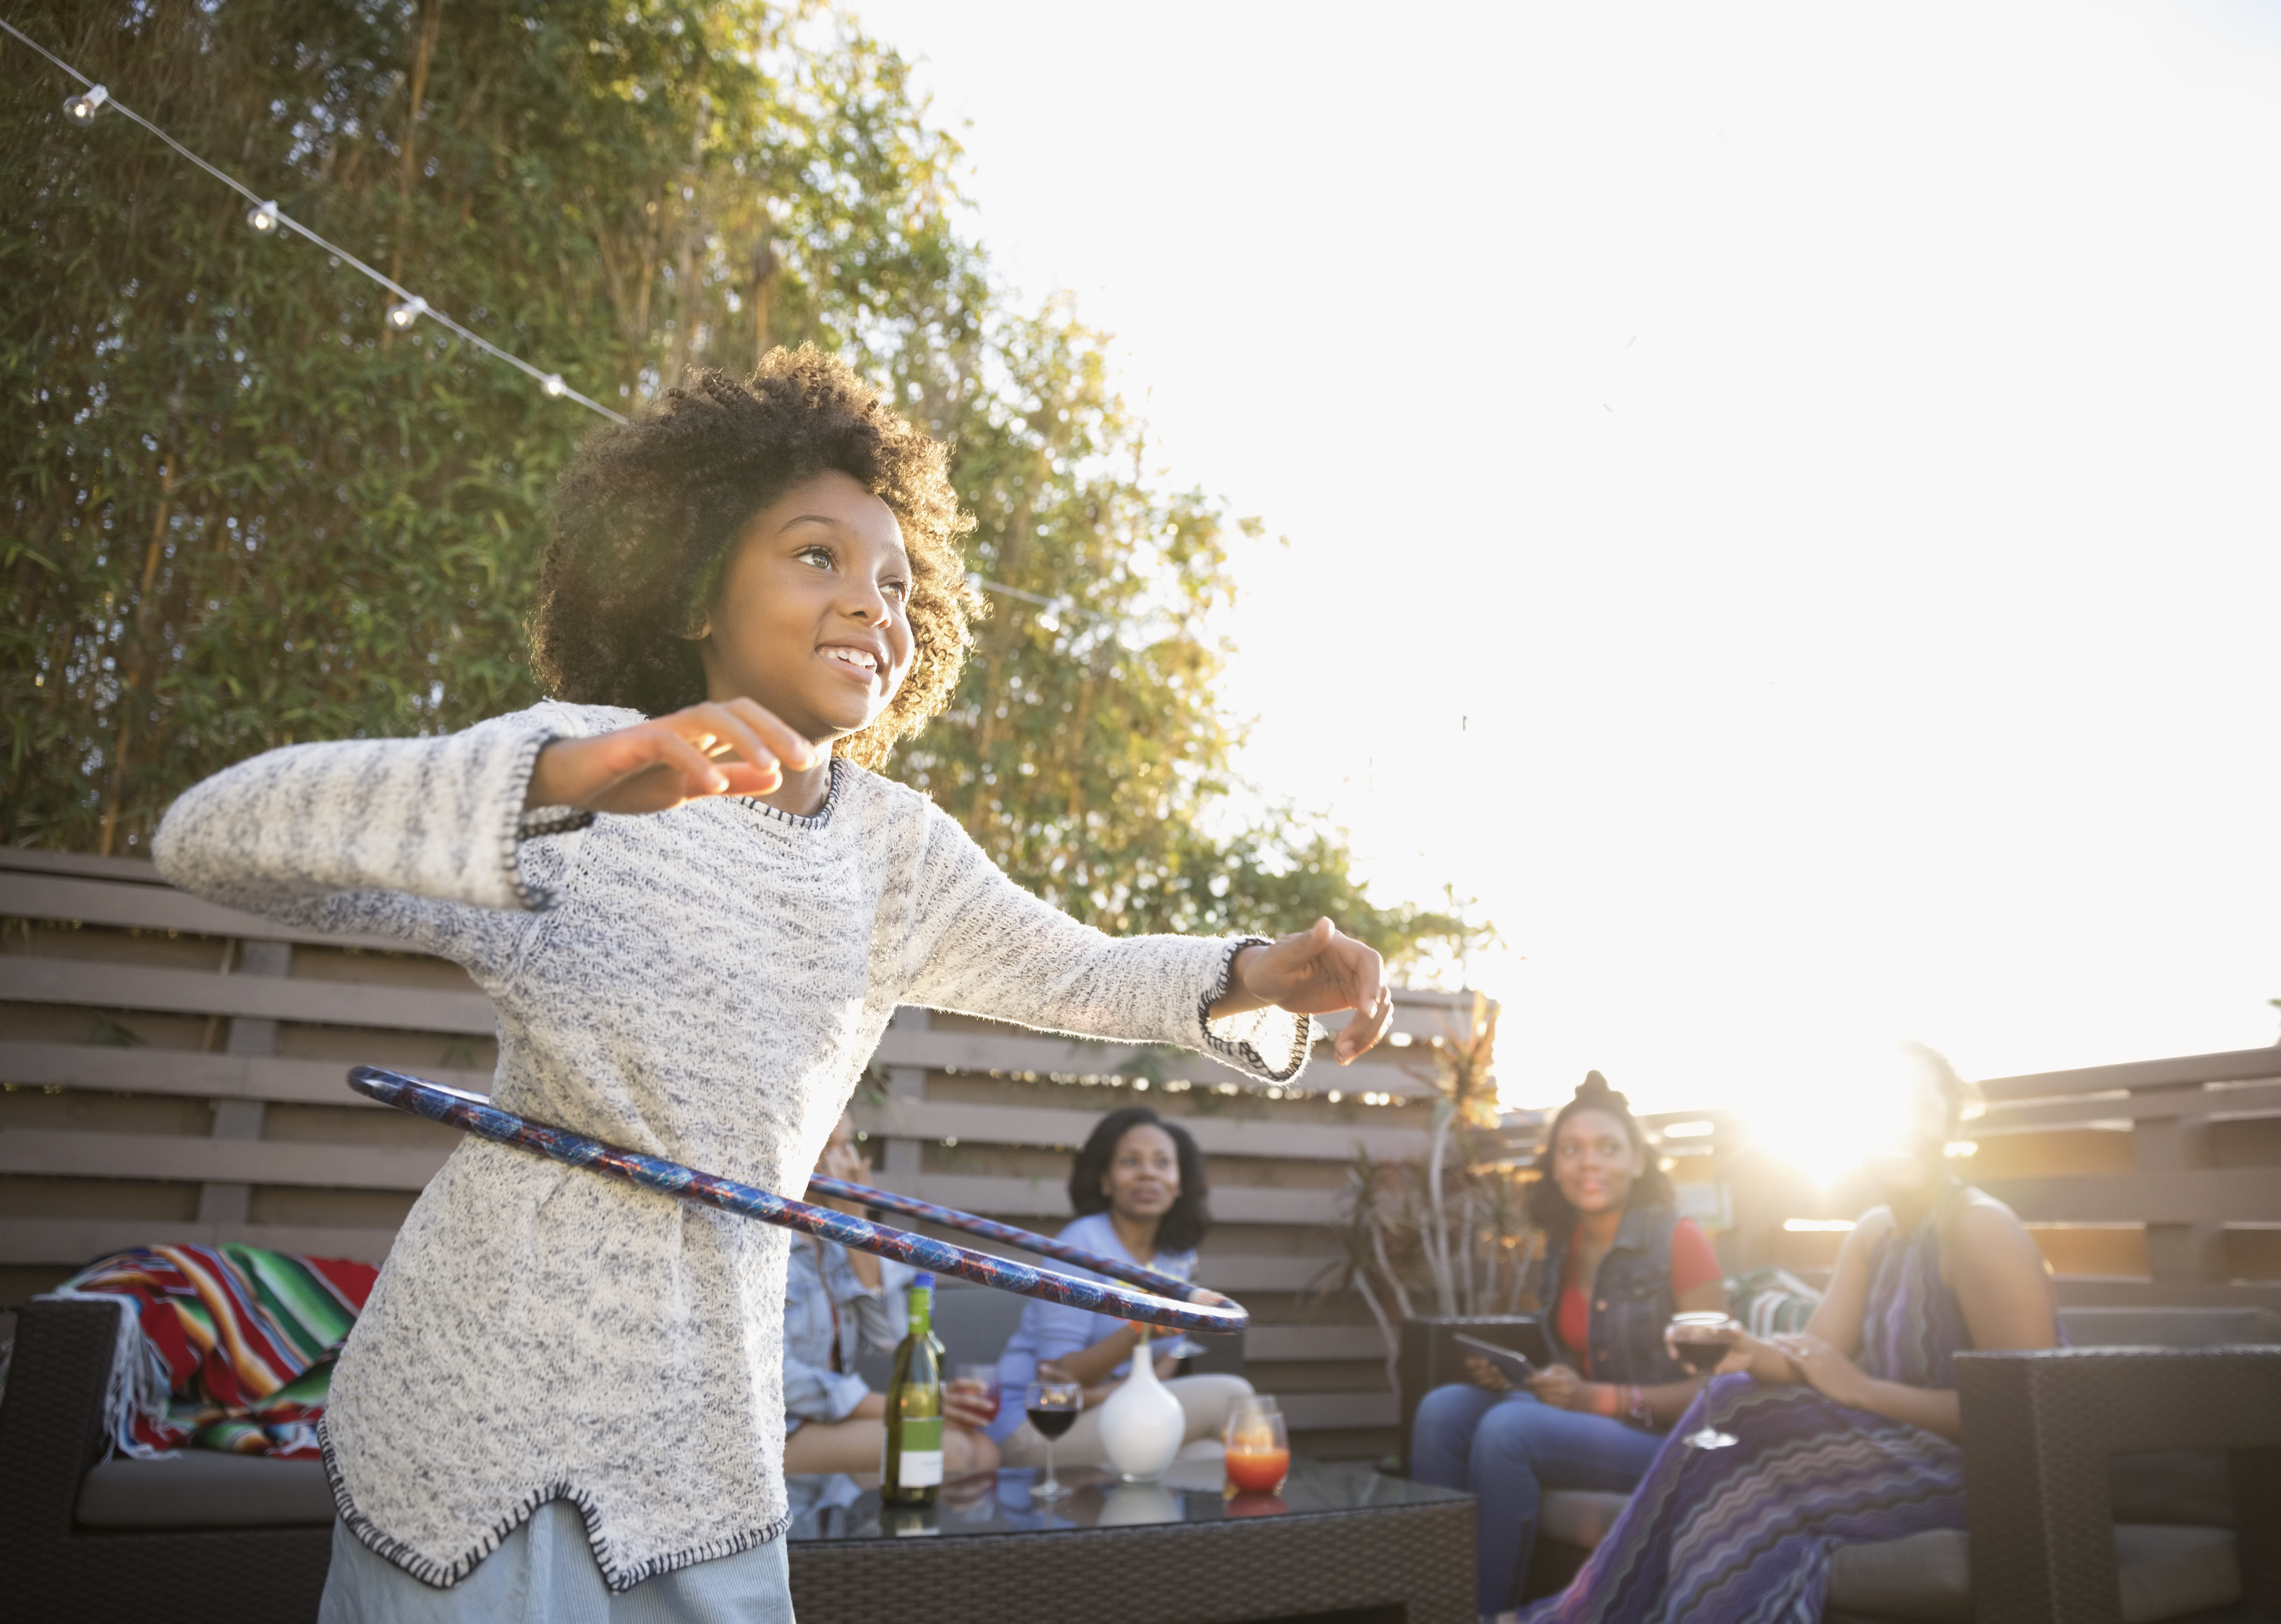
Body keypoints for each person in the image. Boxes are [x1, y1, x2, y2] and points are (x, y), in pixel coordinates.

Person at [152, 345, 1395, 1622]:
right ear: (698, 595)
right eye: (819, 556)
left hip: (706, 1429)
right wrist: (565, 778)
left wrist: (1258, 973)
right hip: (484, 1409)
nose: (875, 604)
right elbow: (211, 839)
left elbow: (1075, 971)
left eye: (900, 583)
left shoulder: (895, 851)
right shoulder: (592, 774)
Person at [1522, 1044, 2060, 1624]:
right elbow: (1814, 1356)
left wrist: (1864, 1392)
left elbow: (2029, 1418)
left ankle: (1578, 1615)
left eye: (1917, 1104)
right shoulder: (1876, 1235)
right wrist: (1749, 1350)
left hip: (1986, 1477)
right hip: (1896, 1455)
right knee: (1737, 1461)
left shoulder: (1979, 1228)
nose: (1898, 1123)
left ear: (1951, 1120)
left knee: (1738, 1436)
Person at [1411, 1072, 1729, 1617]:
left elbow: (1720, 1385)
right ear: (1555, 1167)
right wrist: (1517, 1376)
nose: (1590, 1163)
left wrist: (1596, 1399)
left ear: (1637, 1163)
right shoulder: (1566, 1244)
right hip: (1592, 1425)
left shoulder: (1681, 1241)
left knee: (1508, 1430)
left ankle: (1482, 1615)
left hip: (1668, 1441)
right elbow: (1576, 1358)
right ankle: (1434, 1608)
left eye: (1609, 1149)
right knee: (1443, 1411)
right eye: (1572, 1150)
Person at [989, 1105, 1256, 1467]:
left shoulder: (1177, 1255)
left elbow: (1166, 1363)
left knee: (1217, 1464)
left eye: (1163, 1162)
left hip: (1116, 1411)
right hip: (1038, 1426)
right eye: (1131, 1162)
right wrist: (1138, 1329)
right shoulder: (1079, 1247)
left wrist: (1098, 1395)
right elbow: (1059, 1382)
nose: (1149, 1173)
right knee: (1233, 1397)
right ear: (1106, 1180)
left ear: (1179, 1183)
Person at [778, 1110, 998, 1478]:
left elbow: (893, 1339)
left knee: (984, 1449)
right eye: (826, 1146)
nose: (841, 1162)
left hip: (823, 1421)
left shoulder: (829, 1240)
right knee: (957, 1450)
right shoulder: (763, 1241)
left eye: (847, 1144)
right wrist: (907, 1405)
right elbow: (777, 1380)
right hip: (777, 1429)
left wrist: (857, 1227)